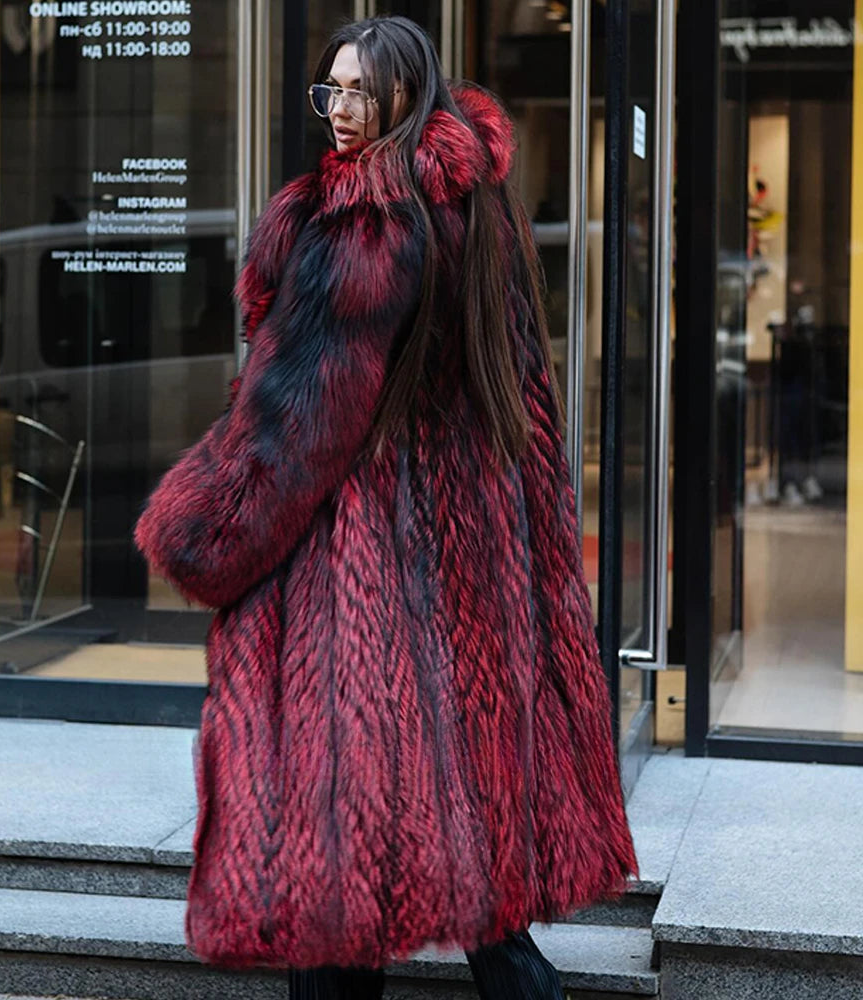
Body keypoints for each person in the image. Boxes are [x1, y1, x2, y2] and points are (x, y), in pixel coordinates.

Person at [133, 14, 639, 1000]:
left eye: (362, 90)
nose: (341, 112)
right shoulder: (477, 205)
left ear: (408, 94)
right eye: (330, 90)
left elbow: (293, 428)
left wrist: (199, 532)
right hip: (465, 563)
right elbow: (524, 404)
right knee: (488, 903)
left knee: (333, 887)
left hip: (350, 577)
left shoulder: (361, 221)